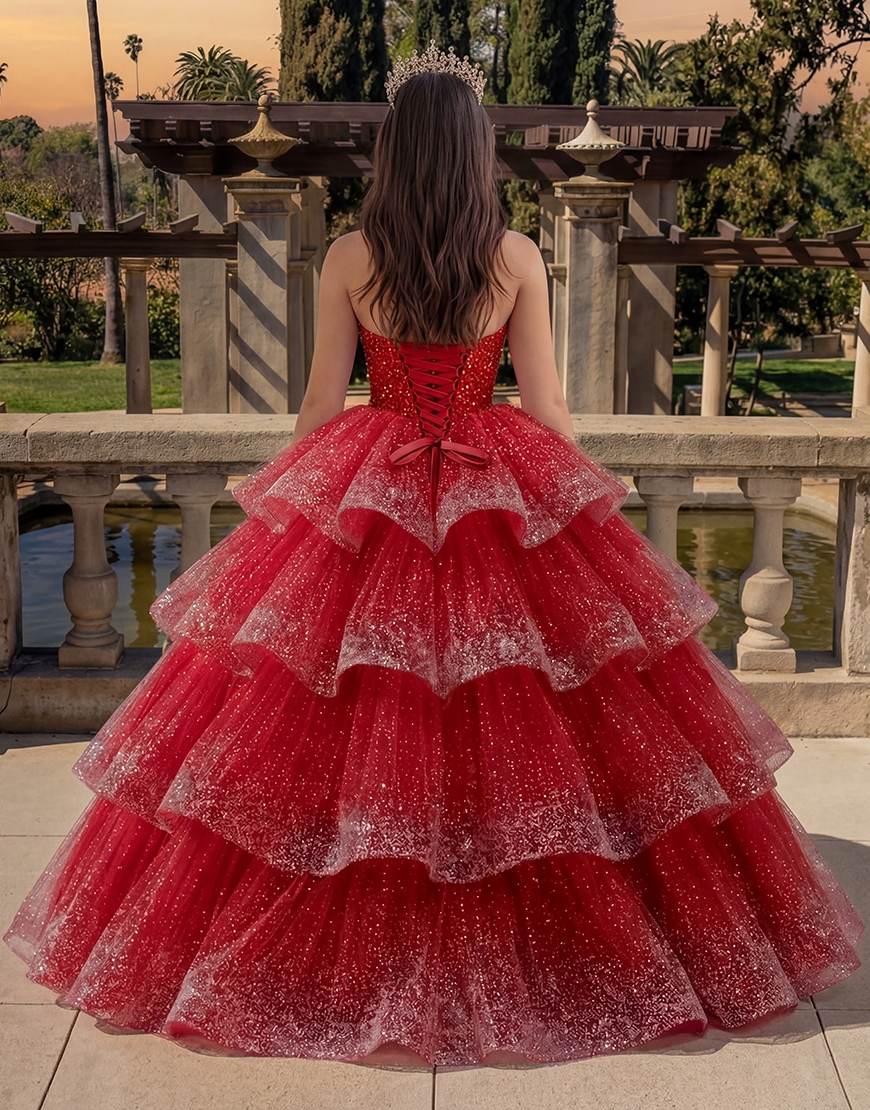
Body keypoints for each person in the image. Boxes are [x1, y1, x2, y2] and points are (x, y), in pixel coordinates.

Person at [4, 45, 862, 1068]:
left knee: (350, 713)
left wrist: (284, 489)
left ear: (398, 156)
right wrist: (582, 489)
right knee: (530, 719)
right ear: (473, 158)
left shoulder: (350, 259)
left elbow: (323, 404)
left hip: (375, 469)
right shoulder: (515, 258)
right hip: (492, 474)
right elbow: (544, 406)